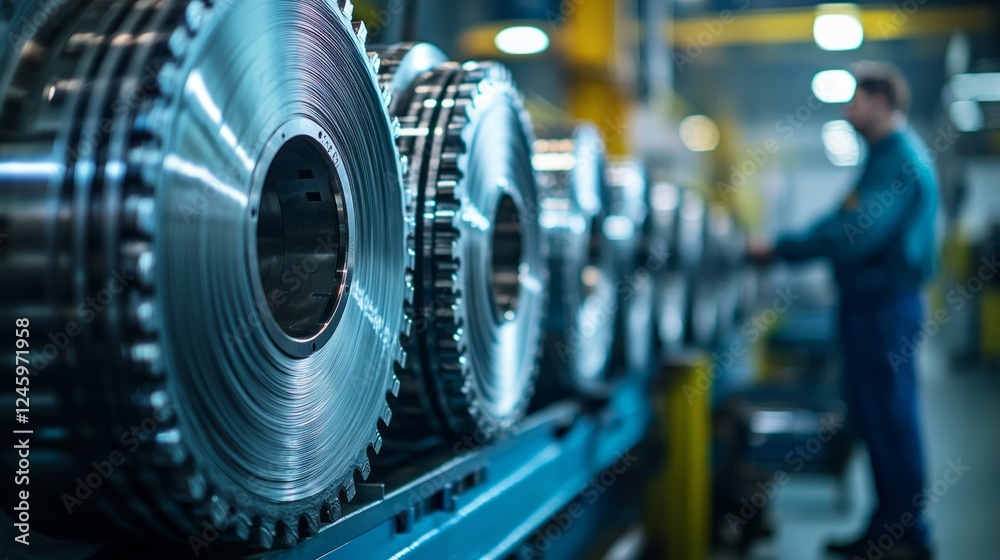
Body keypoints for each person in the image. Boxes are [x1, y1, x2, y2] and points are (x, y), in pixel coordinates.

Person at [747, 61, 938, 560]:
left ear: (880, 101)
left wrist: (780, 248)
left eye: (856, 98)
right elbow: (843, 219)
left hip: (883, 308)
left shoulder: (898, 160)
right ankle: (889, 525)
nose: (848, 109)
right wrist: (791, 244)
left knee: (890, 416)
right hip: (870, 307)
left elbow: (852, 233)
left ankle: (906, 533)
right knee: (877, 416)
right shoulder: (880, 159)